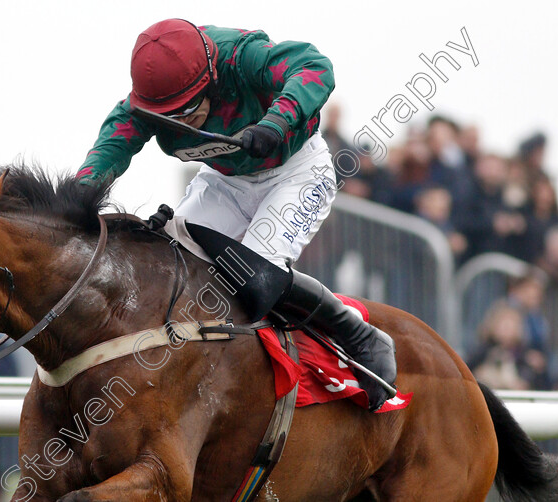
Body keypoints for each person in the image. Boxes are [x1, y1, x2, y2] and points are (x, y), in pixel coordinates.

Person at [76, 19, 396, 410]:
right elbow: (110, 148)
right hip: (226, 181)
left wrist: (275, 123)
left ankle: (359, 334)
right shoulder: (148, 103)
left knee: (253, 276)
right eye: (169, 117)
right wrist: (80, 196)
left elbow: (315, 66)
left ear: (210, 78)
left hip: (296, 171)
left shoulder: (241, 57)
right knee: (175, 263)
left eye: (187, 110)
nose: (179, 124)